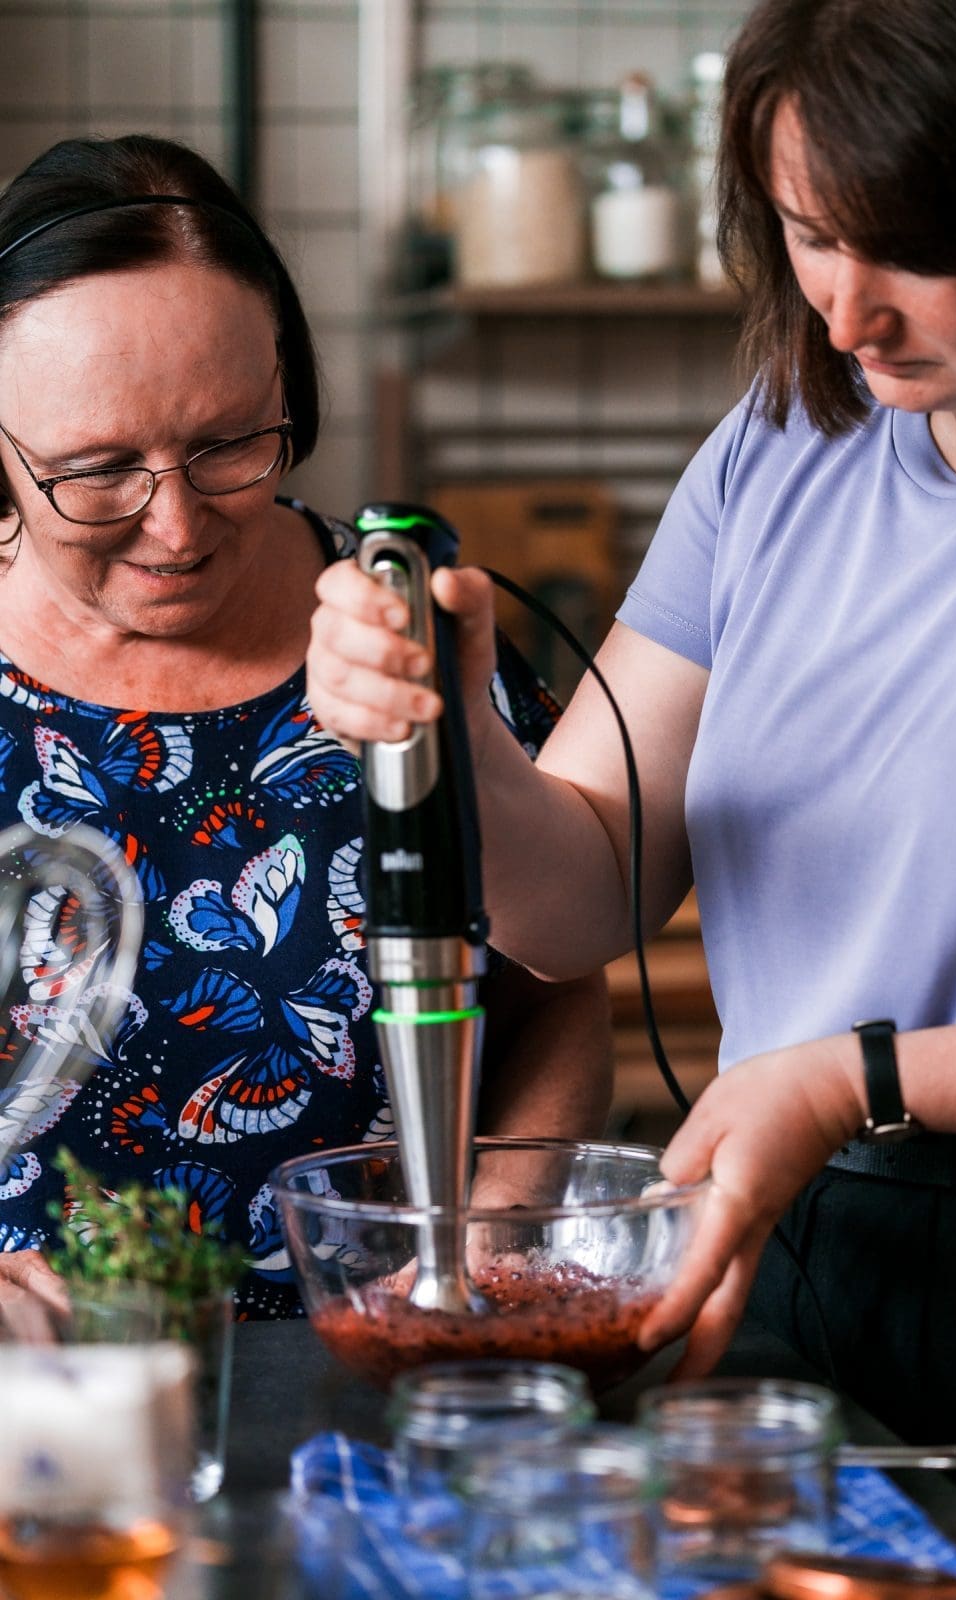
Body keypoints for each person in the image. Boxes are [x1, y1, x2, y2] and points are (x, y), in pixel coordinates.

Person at [307, 0, 956, 1560]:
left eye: (911, 251)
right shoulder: (781, 444)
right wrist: (455, 739)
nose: (846, 311)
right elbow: (581, 893)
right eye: (808, 234)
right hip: (788, 1237)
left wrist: (850, 1077)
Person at [0, 133, 614, 1327]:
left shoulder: (400, 634)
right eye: (97, 469)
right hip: (39, 1392)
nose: (176, 526)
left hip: (378, 1345)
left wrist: (481, 1243)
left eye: (227, 443)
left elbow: (552, 988)